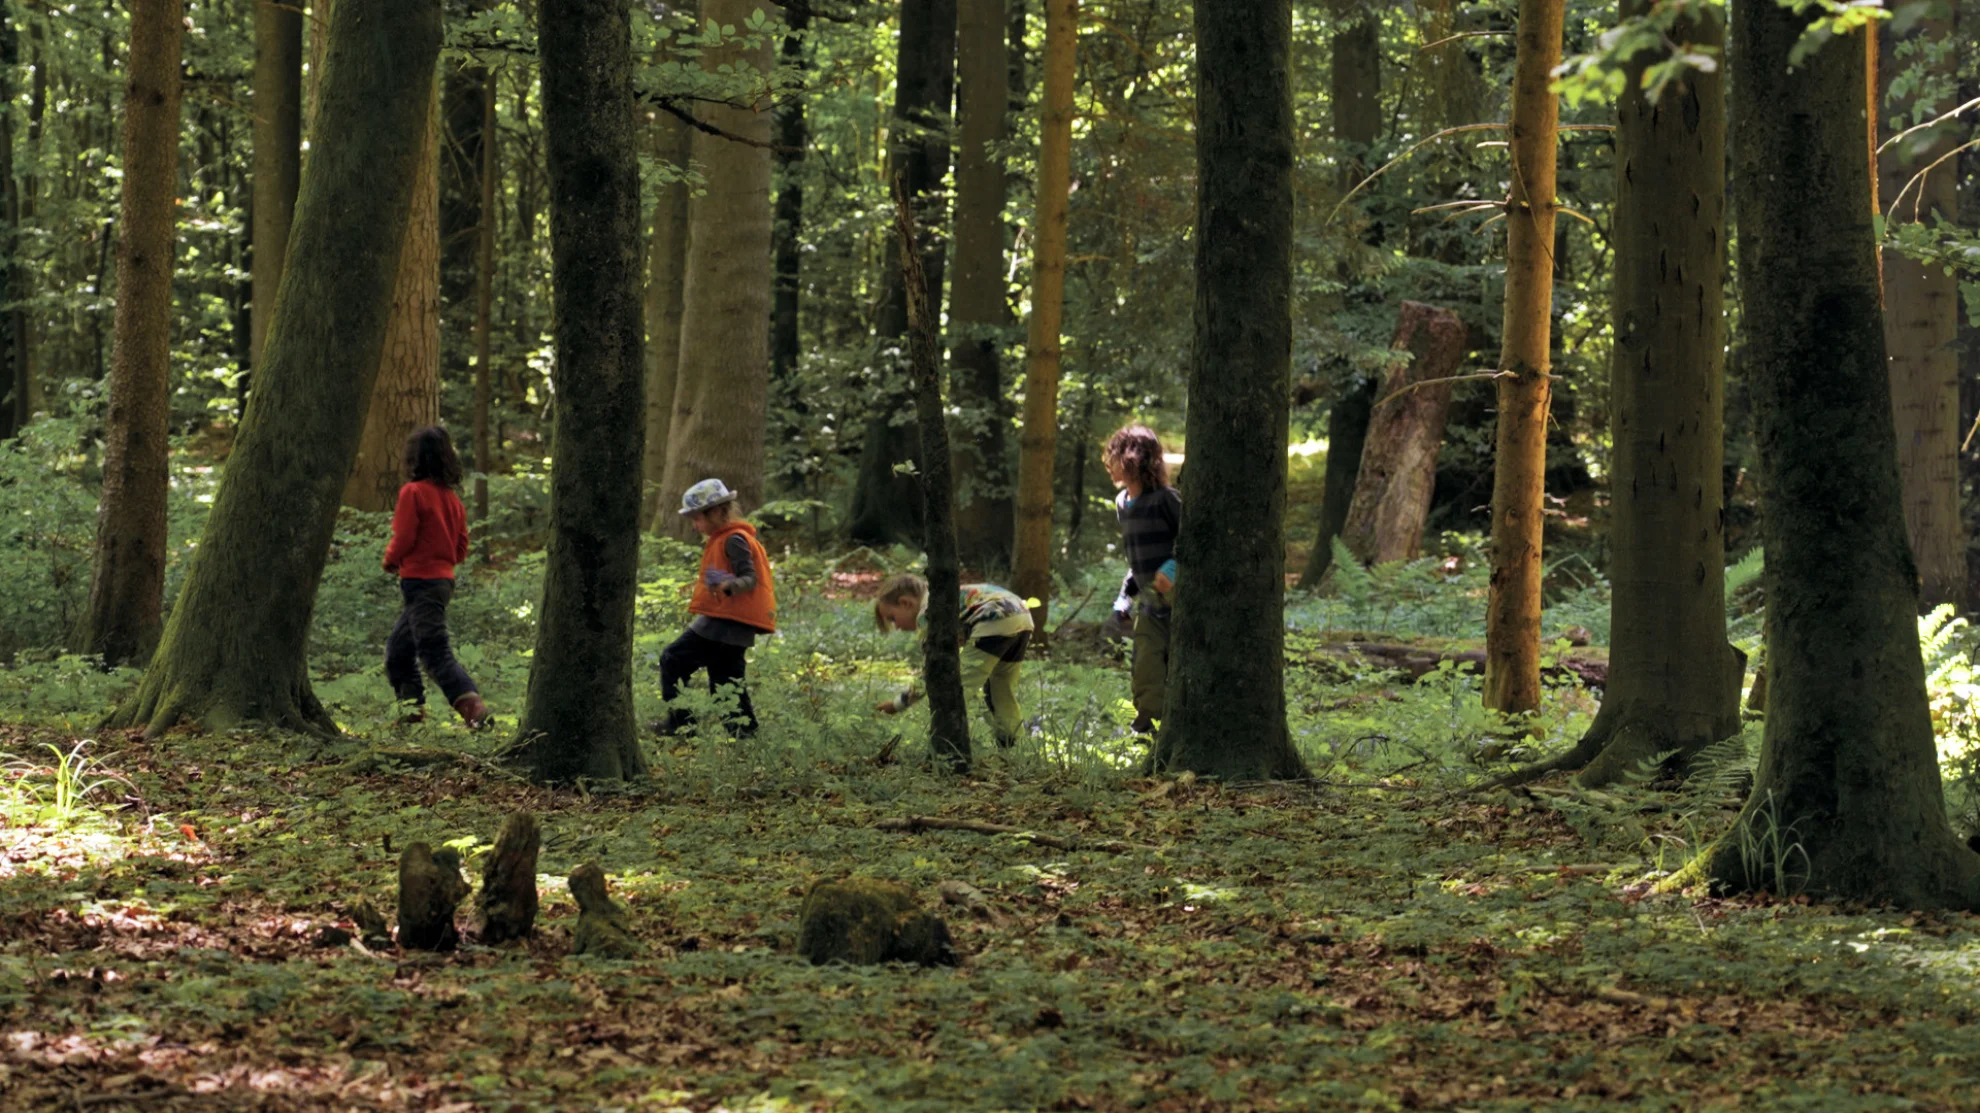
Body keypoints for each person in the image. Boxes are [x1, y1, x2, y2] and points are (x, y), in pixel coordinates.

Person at [382, 426, 490, 729]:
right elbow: (461, 546)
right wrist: (442, 561)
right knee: (399, 651)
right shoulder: (452, 499)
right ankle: (410, 715)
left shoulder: (413, 493)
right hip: (441, 583)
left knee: (433, 649)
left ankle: (474, 710)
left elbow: (403, 536)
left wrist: (391, 560)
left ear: (413, 458)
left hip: (421, 582)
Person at [658, 478, 776, 737]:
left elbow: (750, 578)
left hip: (725, 622)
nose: (694, 524)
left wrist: (727, 586)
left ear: (717, 512)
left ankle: (681, 725)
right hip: (728, 622)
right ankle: (746, 736)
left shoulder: (734, 539)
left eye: (696, 518)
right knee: (727, 683)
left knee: (673, 659)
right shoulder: (724, 538)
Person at [873, 574, 1033, 748]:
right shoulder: (944, 596)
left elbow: (931, 671)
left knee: (956, 692)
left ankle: (947, 749)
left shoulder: (927, 614)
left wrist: (897, 704)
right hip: (1021, 616)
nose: (896, 627)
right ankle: (1015, 747)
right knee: (1001, 689)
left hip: (992, 618)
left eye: (892, 619)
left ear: (906, 603)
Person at [1104, 423, 1180, 736]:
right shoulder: (1123, 504)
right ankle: (1150, 732)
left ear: (1134, 458)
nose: (1108, 464)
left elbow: (1193, 540)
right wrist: (1123, 600)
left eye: (1114, 456)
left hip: (1180, 599)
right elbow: (1136, 563)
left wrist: (1172, 570)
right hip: (1149, 603)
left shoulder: (1166, 499)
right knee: (1145, 668)